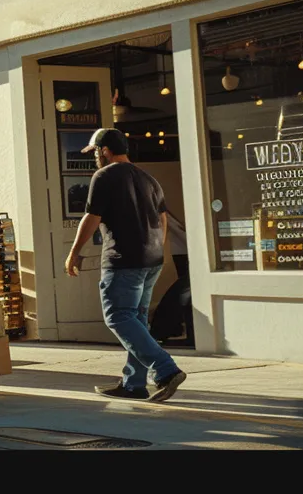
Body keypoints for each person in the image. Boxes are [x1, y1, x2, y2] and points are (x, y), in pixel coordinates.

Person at [64, 128, 187, 402]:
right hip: (151, 259)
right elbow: (163, 218)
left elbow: (92, 217)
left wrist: (74, 252)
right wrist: (155, 247)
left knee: (118, 316)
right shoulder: (149, 178)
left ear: (104, 150)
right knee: (137, 321)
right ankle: (134, 384)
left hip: (124, 260)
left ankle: (166, 370)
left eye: (96, 152)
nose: (95, 157)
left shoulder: (104, 175)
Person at [150, 212, 195, 347]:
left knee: (183, 294)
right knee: (183, 294)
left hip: (183, 252)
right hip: (182, 252)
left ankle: (173, 331)